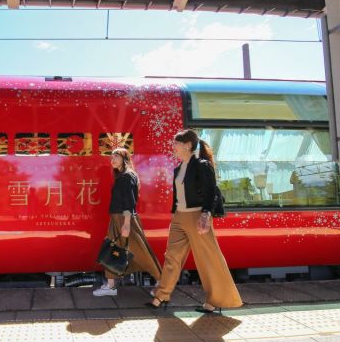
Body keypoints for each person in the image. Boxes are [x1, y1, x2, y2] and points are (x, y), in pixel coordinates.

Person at [147, 129, 242, 313]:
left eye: (176, 143)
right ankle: (161, 295)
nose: (173, 147)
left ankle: (216, 300)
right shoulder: (178, 169)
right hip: (179, 217)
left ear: (188, 145)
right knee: (171, 256)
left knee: (207, 259)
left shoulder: (202, 165)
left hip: (197, 216)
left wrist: (206, 213)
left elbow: (211, 191)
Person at [93, 148, 162, 297]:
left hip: (125, 218)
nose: (112, 159)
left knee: (140, 251)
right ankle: (110, 286)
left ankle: (161, 282)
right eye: (111, 157)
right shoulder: (122, 176)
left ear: (125, 158)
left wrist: (126, 222)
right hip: (117, 218)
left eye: (116, 156)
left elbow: (130, 201)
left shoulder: (127, 176)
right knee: (111, 249)